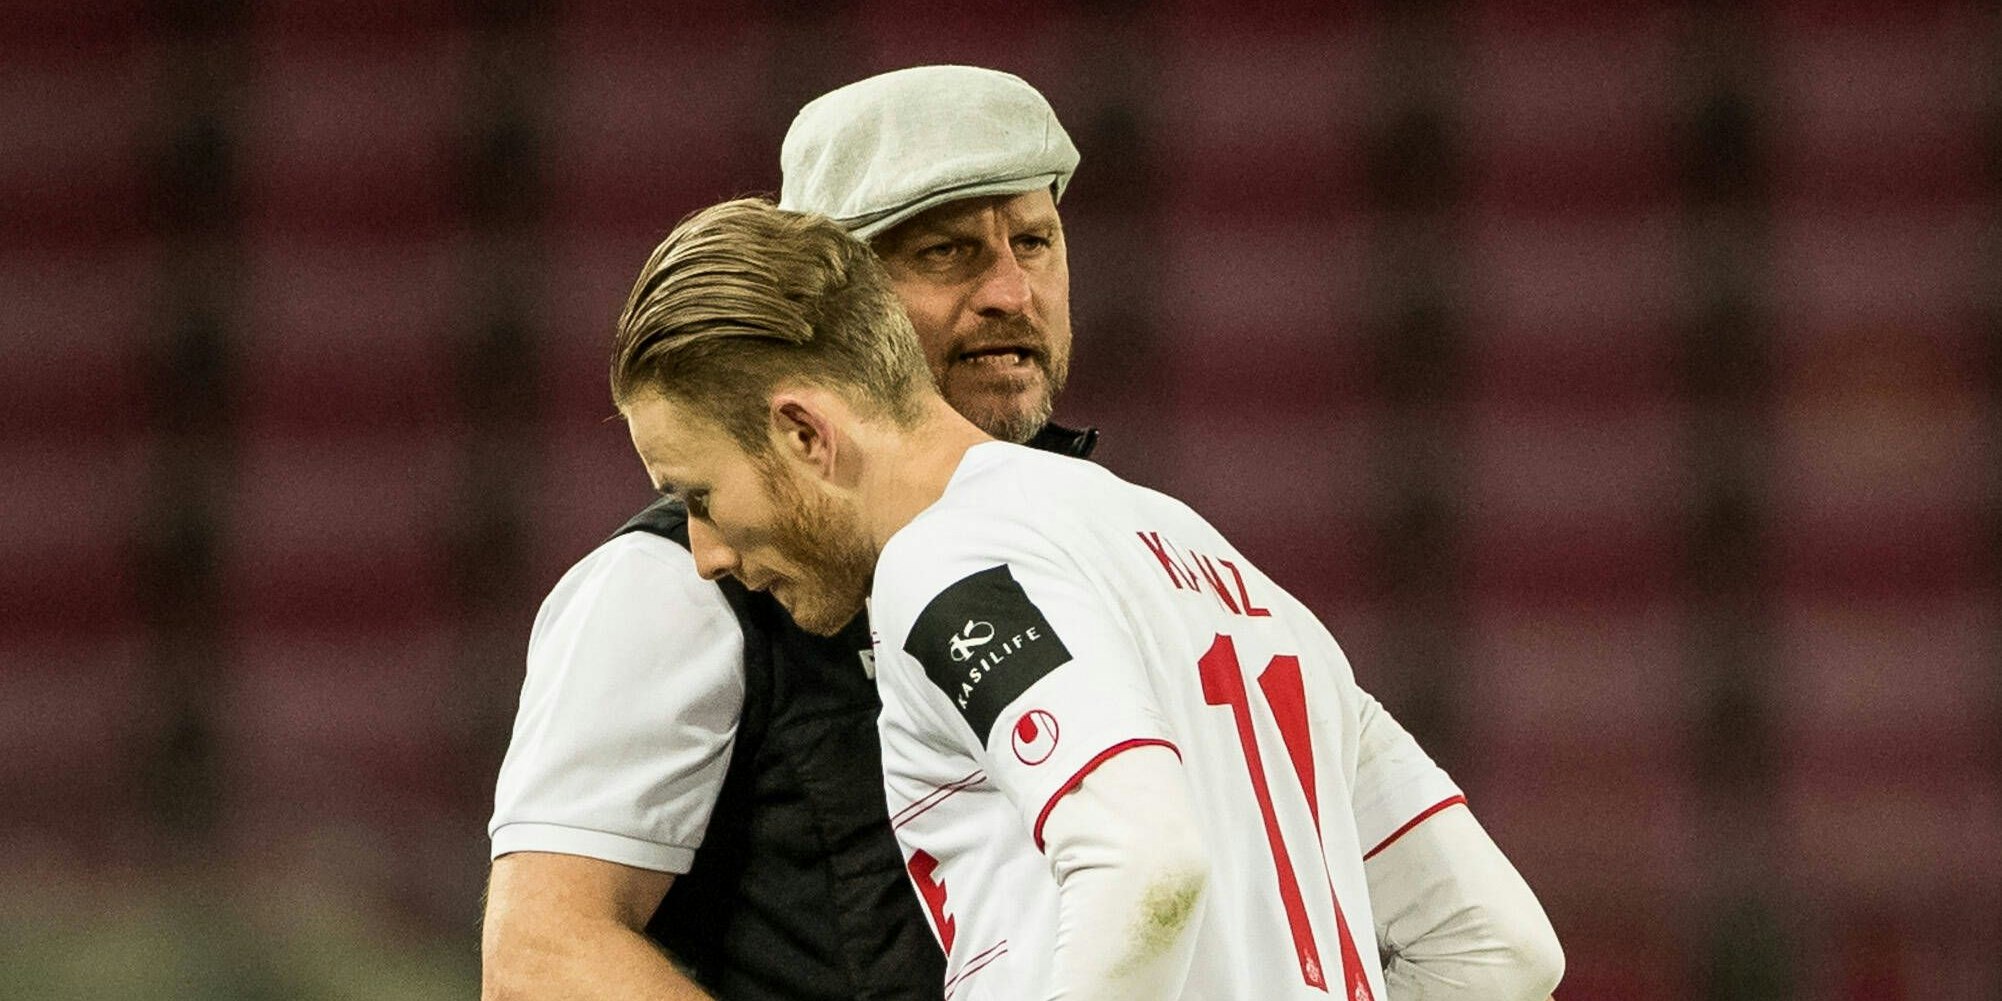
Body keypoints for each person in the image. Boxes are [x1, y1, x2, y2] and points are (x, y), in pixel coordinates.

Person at [608, 196, 1567, 1001]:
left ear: (806, 433)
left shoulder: (943, 565)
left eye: (699, 495)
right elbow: (1498, 943)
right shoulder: (1215, 563)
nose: (702, 552)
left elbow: (1146, 863)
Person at [481, 66, 1089, 1001]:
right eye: (946, 252)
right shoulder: (676, 583)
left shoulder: (1097, 535)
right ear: (839, 301)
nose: (1013, 291)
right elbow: (545, 957)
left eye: (1035, 241)